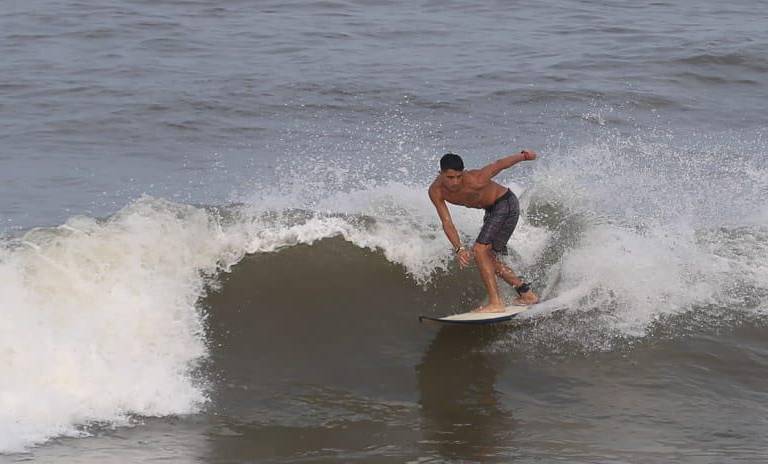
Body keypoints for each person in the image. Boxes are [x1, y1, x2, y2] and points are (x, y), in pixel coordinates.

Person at [428, 151, 539, 313]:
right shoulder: (436, 191)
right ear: (441, 173)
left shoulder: (475, 179)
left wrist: (523, 156)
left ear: (463, 172)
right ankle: (527, 294)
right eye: (450, 177)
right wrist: (459, 248)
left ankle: (496, 303)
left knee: (480, 250)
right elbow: (447, 222)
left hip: (505, 204)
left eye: (459, 176)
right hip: (492, 210)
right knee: (488, 258)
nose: (455, 182)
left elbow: (499, 164)